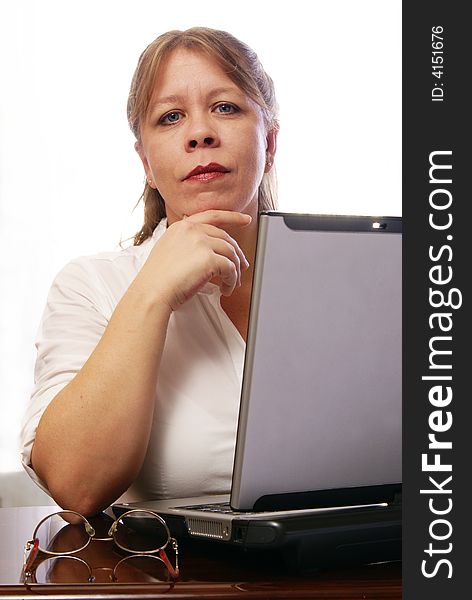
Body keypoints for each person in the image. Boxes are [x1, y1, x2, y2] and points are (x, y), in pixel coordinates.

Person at [20, 27, 278, 516]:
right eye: (171, 116)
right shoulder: (90, 286)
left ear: (270, 142)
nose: (200, 132)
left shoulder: (345, 282)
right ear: (146, 162)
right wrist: (152, 294)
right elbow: (75, 486)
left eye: (226, 107)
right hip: (172, 583)